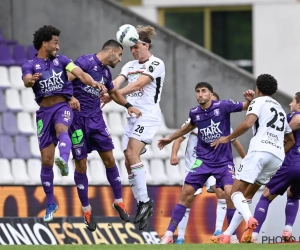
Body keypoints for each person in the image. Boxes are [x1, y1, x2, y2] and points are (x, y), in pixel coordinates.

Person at [21, 25, 104, 222]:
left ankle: (64, 161)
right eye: (55, 42)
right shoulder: (31, 64)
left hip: (62, 107)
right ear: (44, 43)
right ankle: (51, 203)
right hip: (44, 112)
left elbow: (80, 73)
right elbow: (25, 79)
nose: (58, 46)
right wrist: (30, 81)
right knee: (46, 160)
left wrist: (92, 83)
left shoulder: (63, 60)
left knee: (62, 129)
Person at [158, 82, 254, 244]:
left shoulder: (223, 106)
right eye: (197, 91)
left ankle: (231, 236)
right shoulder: (194, 113)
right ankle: (168, 235)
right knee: (185, 194)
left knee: (230, 194)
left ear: (210, 94)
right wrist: (170, 138)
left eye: (203, 91)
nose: (200, 94)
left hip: (223, 162)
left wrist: (251, 100)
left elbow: (246, 107)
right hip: (202, 161)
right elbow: (187, 128)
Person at [67, 40, 142, 231]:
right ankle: (86, 209)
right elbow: (65, 79)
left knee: (109, 159)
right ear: (111, 51)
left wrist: (128, 106)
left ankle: (118, 201)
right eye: (119, 55)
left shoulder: (106, 73)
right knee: (81, 164)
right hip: (77, 121)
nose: (119, 59)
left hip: (96, 121)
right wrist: (71, 97)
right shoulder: (84, 62)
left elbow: (113, 93)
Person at [211, 74, 295, 243]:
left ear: (258, 88)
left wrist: (228, 137)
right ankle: (227, 234)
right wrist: (276, 152)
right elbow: (291, 140)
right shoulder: (279, 107)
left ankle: (250, 219)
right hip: (277, 157)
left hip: (259, 151)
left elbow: (248, 123)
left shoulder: (258, 101)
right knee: (247, 195)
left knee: (235, 192)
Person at [101, 25, 165, 230]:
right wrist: (106, 89)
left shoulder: (157, 63)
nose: (134, 51)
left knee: (131, 152)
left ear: (146, 45)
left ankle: (145, 201)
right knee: (128, 161)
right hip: (131, 117)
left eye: (136, 47)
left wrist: (112, 95)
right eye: (131, 48)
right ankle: (141, 203)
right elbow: (117, 82)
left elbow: (138, 85)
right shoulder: (129, 66)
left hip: (148, 115)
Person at [250, 93, 300, 243]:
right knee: (293, 194)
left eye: (292, 101)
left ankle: (253, 235)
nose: (290, 104)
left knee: (266, 195)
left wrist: (280, 135)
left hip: (292, 163)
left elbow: (298, 119)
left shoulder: (294, 115)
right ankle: (288, 230)